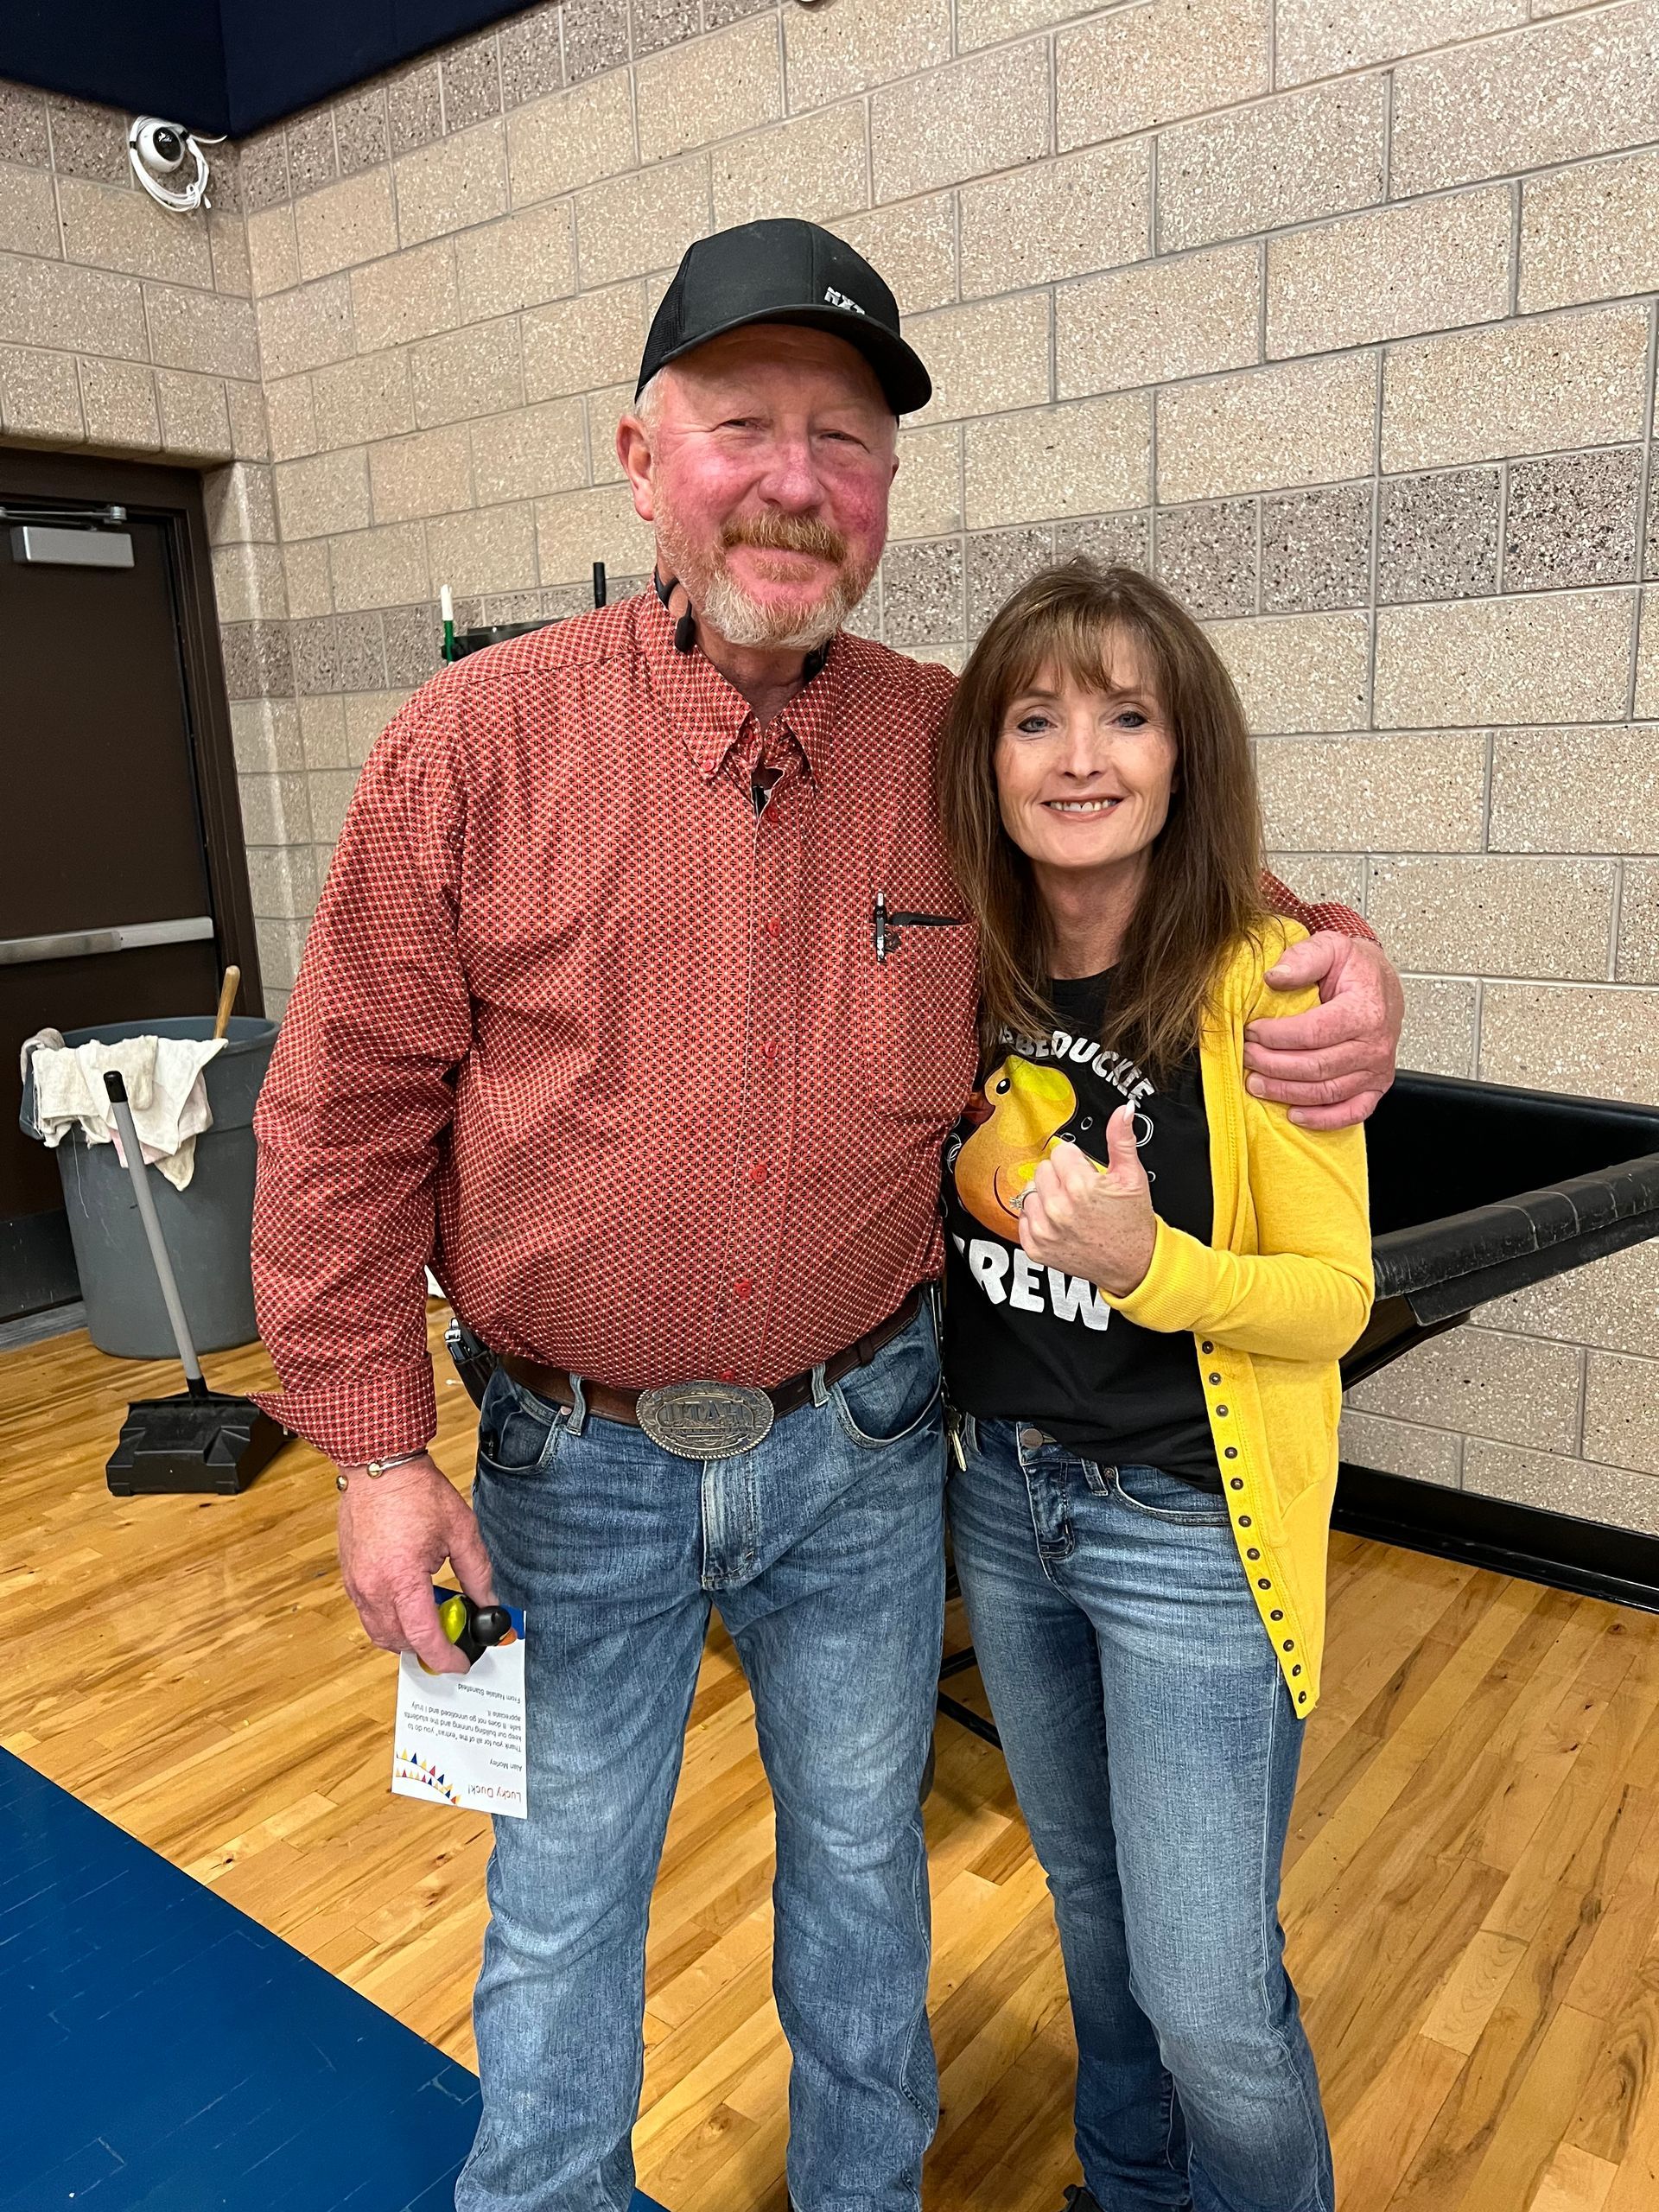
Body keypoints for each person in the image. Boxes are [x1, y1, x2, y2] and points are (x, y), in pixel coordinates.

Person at [249, 219, 1401, 2212]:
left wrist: (1346, 953)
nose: (796, 478)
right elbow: (343, 1117)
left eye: (845, 441)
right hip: (562, 1453)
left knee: (867, 1880)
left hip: (863, 1453)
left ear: (883, 495)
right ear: (640, 458)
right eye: (743, 424)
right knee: (564, 1889)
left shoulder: (942, 745)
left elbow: (1151, 852)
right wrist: (373, 1453)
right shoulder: (472, 747)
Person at [935, 557, 1373, 2212]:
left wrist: (1151, 1268)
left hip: (1185, 1531)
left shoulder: (1265, 981)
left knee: (1208, 1993)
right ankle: (1129, 2188)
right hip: (1004, 1493)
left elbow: (1338, 1299)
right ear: (989, 756)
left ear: (1188, 755)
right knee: (1095, 1919)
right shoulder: (954, 967)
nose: (1080, 756)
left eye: (1128, 716)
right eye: (1038, 717)